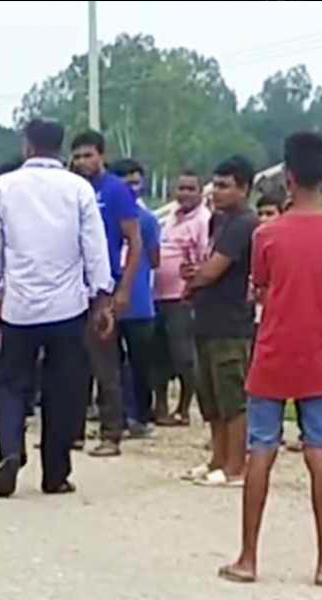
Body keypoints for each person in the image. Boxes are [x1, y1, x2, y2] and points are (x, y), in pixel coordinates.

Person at [0, 119, 114, 498]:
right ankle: (55, 473)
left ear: (27, 146)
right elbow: (94, 246)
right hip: (66, 306)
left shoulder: (4, 187)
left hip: (19, 306)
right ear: (61, 148)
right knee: (63, 389)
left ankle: (10, 449)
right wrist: (101, 297)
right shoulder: (78, 188)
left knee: (10, 384)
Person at [217, 132, 322, 585]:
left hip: (274, 352)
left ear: (289, 177)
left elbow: (259, 288)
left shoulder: (267, 234)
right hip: (318, 355)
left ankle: (248, 558)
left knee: (261, 449)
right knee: (318, 451)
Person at [182, 155, 258, 488]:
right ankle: (217, 458)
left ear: (244, 188)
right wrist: (194, 275)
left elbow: (214, 269)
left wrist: (196, 277)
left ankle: (235, 466)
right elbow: (206, 265)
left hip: (231, 323)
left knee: (232, 398)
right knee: (210, 396)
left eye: (225, 186)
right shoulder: (218, 221)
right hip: (206, 318)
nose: (217, 192)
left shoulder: (245, 224)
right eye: (215, 185)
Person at [70, 130, 143, 457]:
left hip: (104, 287)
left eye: (88, 155)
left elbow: (135, 241)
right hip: (71, 287)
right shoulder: (72, 188)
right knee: (72, 364)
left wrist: (124, 288)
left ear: (102, 155)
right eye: (77, 156)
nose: (82, 162)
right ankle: (71, 432)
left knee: (105, 364)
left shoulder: (115, 190)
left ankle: (112, 433)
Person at [152, 171, 210, 426]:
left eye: (190, 188)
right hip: (158, 295)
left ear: (200, 192)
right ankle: (161, 407)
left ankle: (184, 409)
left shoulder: (203, 220)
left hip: (183, 297)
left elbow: (204, 258)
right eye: (181, 188)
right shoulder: (170, 218)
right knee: (158, 354)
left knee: (183, 355)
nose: (184, 193)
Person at [110, 159, 161, 438]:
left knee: (140, 363)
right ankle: (114, 417)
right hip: (107, 300)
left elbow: (154, 258)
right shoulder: (102, 215)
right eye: (125, 182)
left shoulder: (148, 220)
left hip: (139, 302)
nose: (131, 188)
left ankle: (140, 415)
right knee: (111, 365)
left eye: (136, 182)